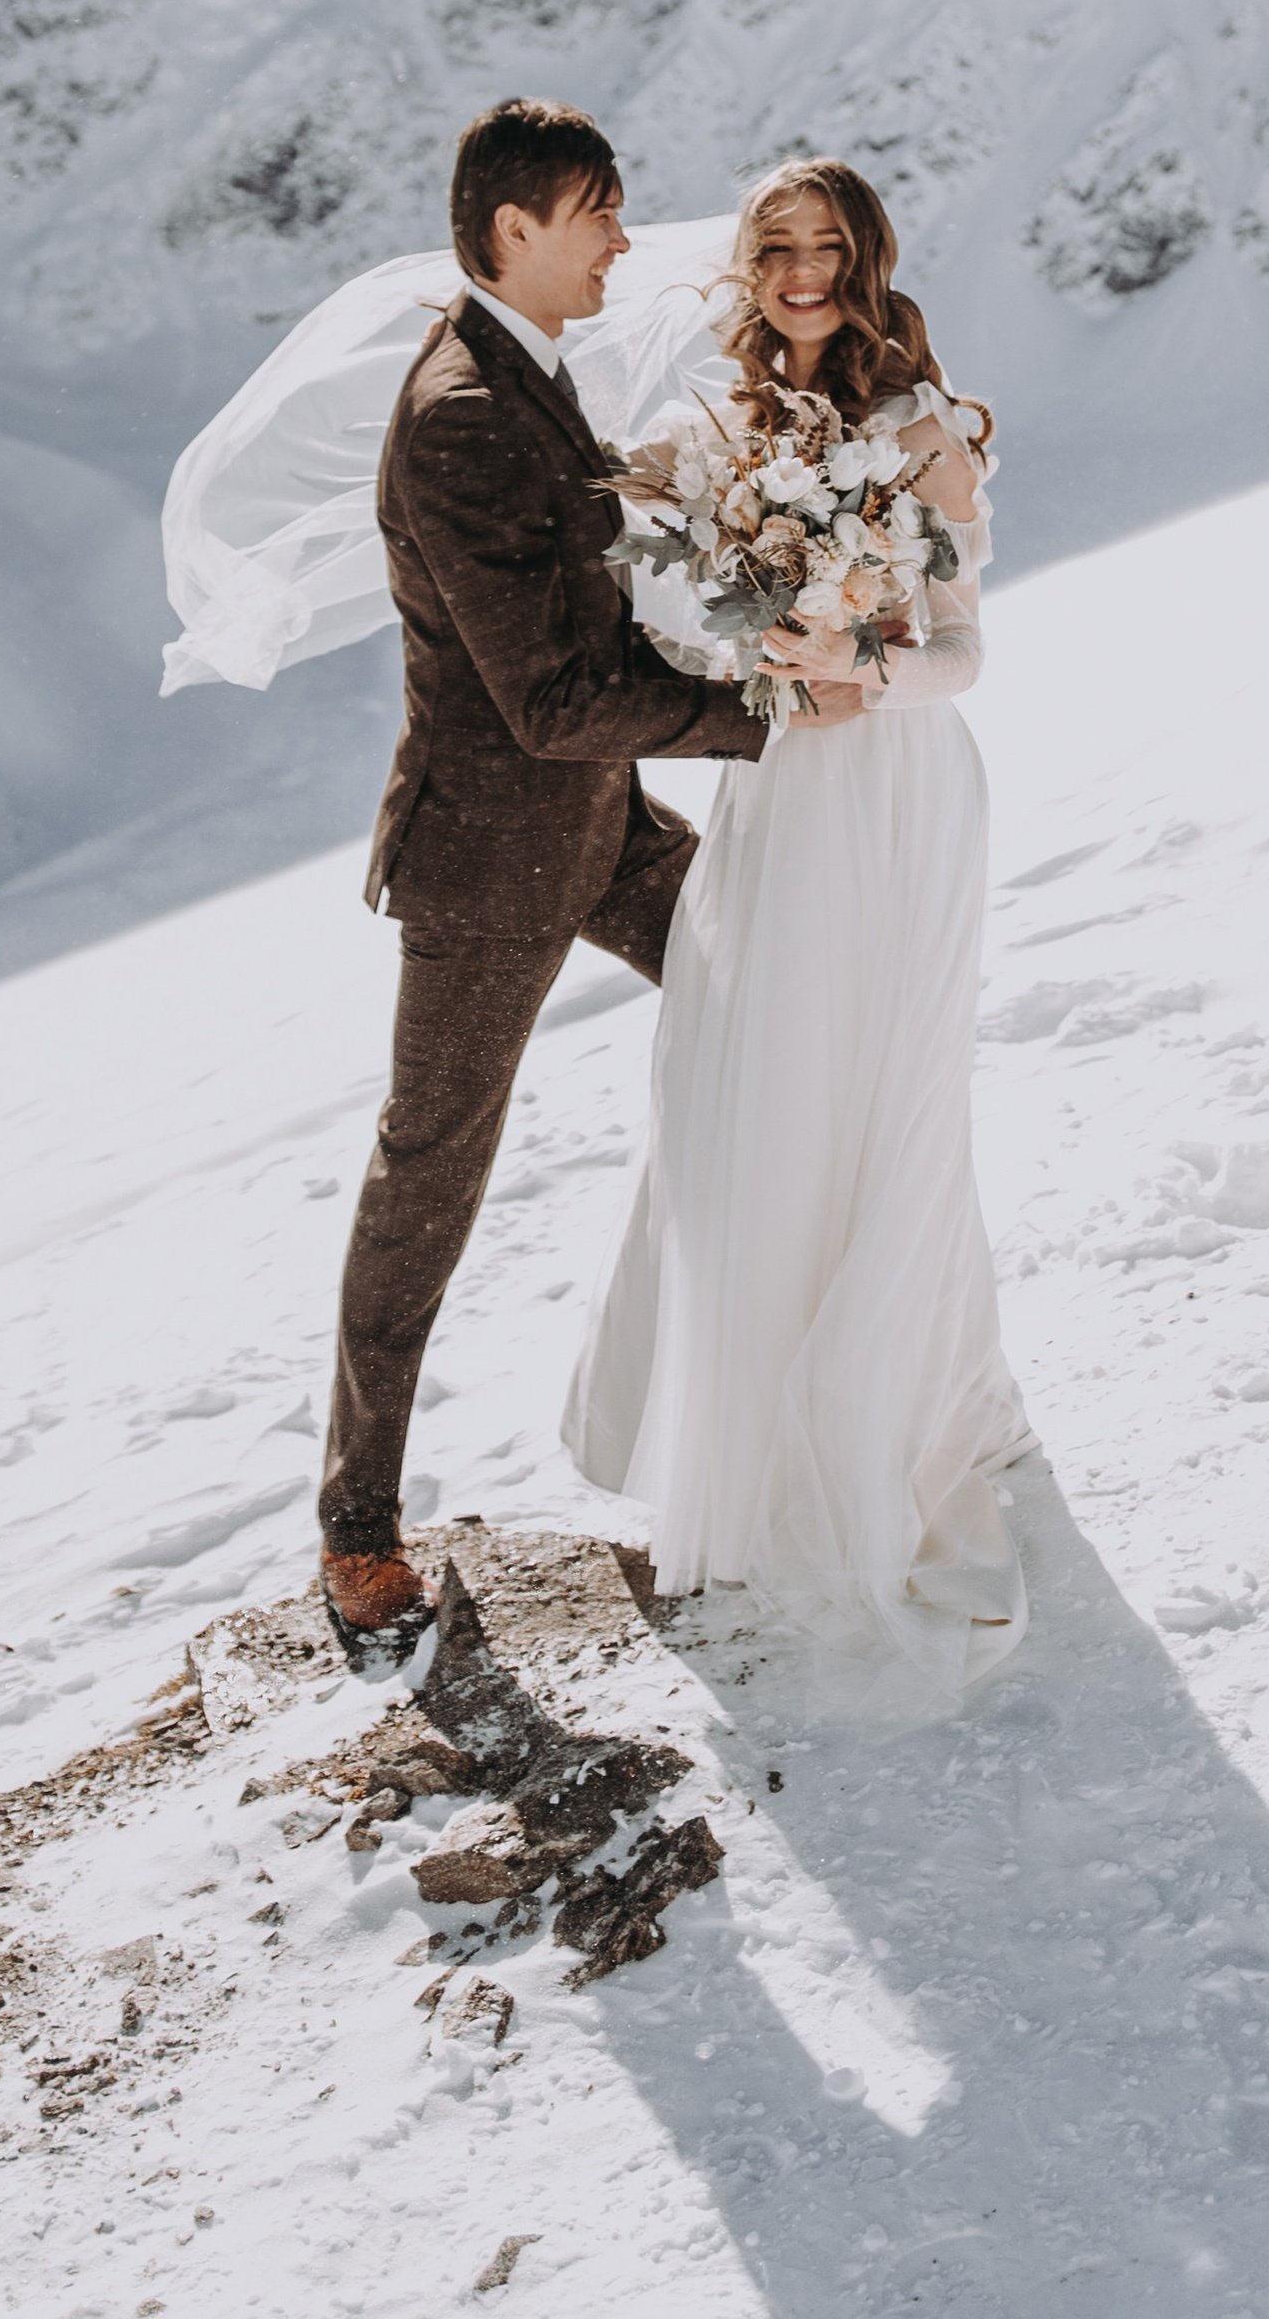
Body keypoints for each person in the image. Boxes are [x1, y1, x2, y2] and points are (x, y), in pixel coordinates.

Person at [315, 100, 866, 1666]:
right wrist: (764, 718)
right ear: (514, 232)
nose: (627, 239)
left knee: (787, 1006)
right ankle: (358, 1528)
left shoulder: (524, 375)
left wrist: (746, 640)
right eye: (600, 214)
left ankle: (813, 1391)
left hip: (602, 826)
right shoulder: (458, 415)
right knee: (432, 1169)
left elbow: (597, 632)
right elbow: (546, 699)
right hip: (493, 864)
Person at [563, 156, 1033, 1690]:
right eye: (781, 249)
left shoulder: (928, 430)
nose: (806, 274)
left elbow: (961, 652)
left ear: (867, 258)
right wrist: (758, 649)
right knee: (749, 1080)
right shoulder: (707, 433)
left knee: (880, 1090)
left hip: (893, 788)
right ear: (748, 265)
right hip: (774, 794)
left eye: (832, 249)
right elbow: (679, 610)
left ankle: (891, 1419)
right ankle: (734, 1432)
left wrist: (861, 674)